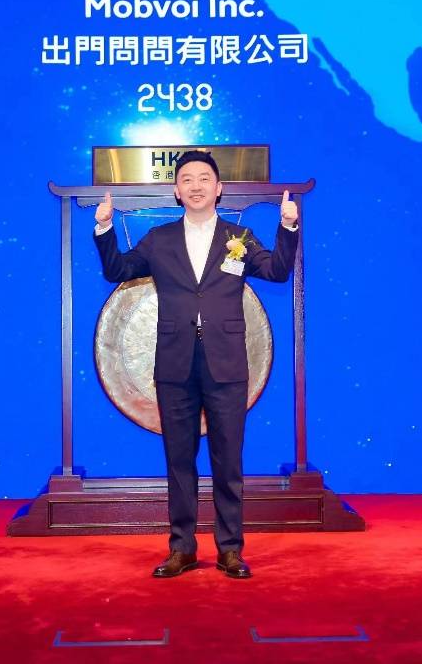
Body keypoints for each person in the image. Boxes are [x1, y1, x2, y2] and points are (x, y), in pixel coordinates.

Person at [93, 150, 299, 578]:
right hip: (174, 364)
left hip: (227, 364)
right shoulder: (160, 239)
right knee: (179, 460)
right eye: (187, 179)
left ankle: (230, 550)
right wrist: (105, 227)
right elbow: (118, 270)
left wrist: (288, 226)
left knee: (228, 461)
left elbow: (277, 271)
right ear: (177, 190)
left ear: (218, 188)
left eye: (204, 178)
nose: (196, 186)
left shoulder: (238, 237)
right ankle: (182, 549)